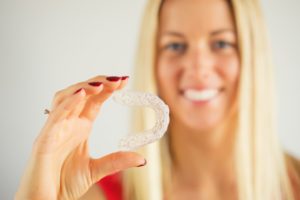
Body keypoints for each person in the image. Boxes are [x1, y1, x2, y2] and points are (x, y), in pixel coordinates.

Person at [15, 0, 300, 199]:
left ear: (252, 55)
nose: (198, 67)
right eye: (175, 45)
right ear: (151, 60)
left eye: (221, 43)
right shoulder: (92, 194)